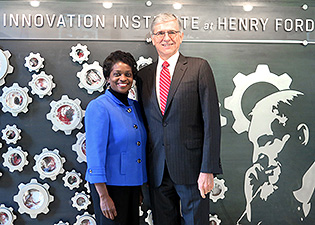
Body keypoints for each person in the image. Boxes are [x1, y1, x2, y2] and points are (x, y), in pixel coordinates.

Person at [137, 13, 222, 225]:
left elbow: (211, 122)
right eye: (160, 33)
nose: (167, 37)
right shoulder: (143, 75)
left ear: (181, 36)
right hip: (157, 170)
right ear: (153, 38)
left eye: (172, 32)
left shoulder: (199, 67)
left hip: (193, 170)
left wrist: (208, 168)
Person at [85, 50, 147, 225]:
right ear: (107, 78)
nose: (123, 78)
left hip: (133, 187)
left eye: (128, 74)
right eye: (117, 74)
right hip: (109, 188)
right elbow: (94, 154)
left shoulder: (135, 107)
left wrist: (139, 186)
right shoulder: (98, 107)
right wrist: (103, 196)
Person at [237, 90, 315, 224]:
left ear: (301, 136)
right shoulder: (271, 197)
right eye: (254, 145)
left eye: (266, 141)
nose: (256, 158)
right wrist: (252, 212)